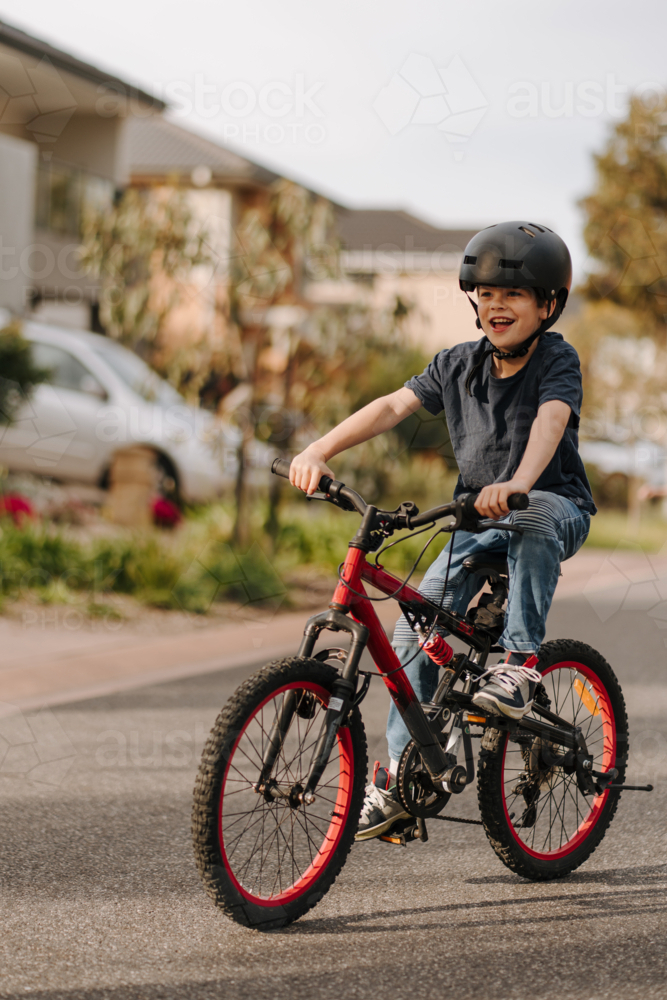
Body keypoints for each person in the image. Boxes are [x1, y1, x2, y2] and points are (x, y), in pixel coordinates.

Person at [289, 221, 596, 840]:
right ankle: (404, 775)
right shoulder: (457, 364)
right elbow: (392, 406)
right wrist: (319, 448)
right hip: (472, 521)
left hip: (551, 506)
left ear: (548, 305)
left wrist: (519, 483)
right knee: (413, 627)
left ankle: (520, 664)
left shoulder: (557, 359)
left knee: (532, 513)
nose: (495, 306)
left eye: (512, 295)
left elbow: (552, 420)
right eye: (483, 294)